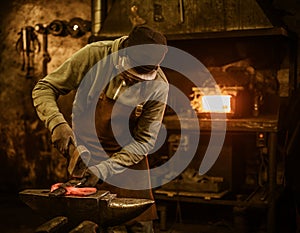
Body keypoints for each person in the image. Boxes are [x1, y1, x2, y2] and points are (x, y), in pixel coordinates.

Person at [32, 25, 169, 233]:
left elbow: (144, 141)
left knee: (140, 228)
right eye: (131, 74)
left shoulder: (159, 85)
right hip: (87, 156)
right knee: (83, 225)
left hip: (130, 162)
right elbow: (44, 88)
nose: (134, 81)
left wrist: (106, 168)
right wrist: (57, 123)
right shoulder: (95, 56)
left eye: (141, 78)